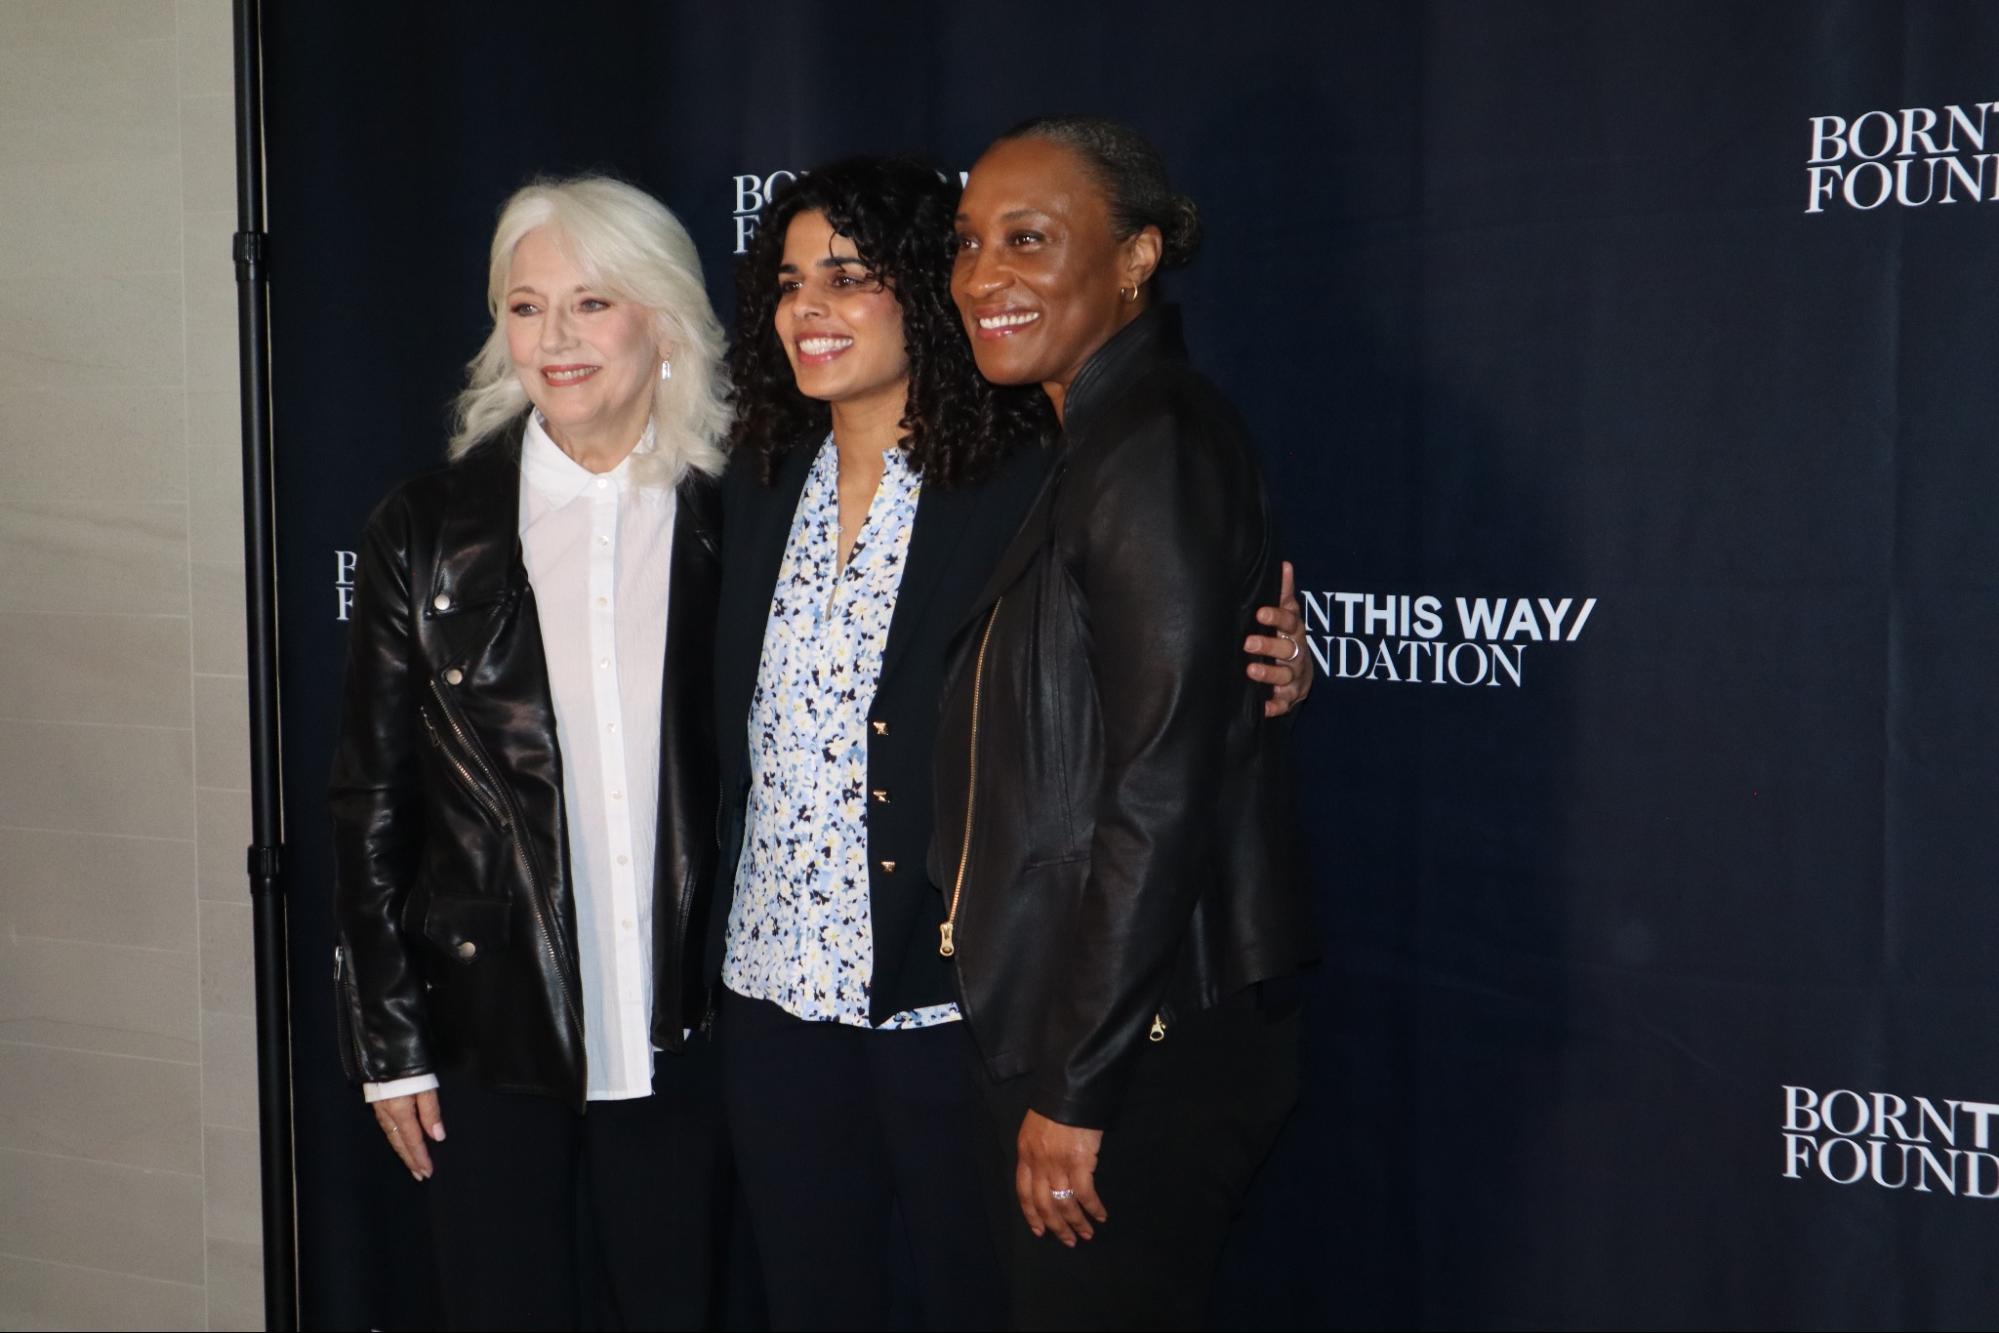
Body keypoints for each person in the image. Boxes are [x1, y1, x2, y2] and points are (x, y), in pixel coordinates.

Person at [711, 156, 1314, 1331]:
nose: (809, 309)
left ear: (925, 292)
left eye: (847, 276)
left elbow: (1158, 654)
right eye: (789, 283)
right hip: (773, 997)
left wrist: (1288, 659)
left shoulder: (1027, 471)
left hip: (955, 1007)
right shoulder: (752, 480)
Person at [329, 175, 729, 1331]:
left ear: (662, 317)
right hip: (484, 1032)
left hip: (692, 1029)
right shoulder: (425, 527)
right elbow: (369, 801)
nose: (553, 338)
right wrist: (390, 1046)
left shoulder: (736, 512)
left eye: (591, 302)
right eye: (525, 305)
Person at [938, 117, 1316, 1330]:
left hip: (1137, 1037)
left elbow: (1158, 788)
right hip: (1106, 1014)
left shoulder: (1149, 441)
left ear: (1137, 257)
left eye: (1029, 240)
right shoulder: (1094, 435)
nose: (984, 276)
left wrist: (1080, 1086)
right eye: (968, 243)